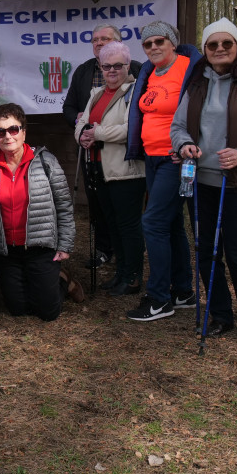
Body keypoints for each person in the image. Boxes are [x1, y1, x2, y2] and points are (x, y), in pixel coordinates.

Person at [171, 19, 237, 347]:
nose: (220, 49)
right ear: (205, 49)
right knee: (206, 251)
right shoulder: (196, 83)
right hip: (201, 181)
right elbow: (178, 126)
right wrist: (184, 145)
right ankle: (220, 315)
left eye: (226, 44)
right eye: (212, 45)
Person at [124, 21, 202, 323]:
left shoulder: (189, 68)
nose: (154, 47)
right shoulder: (149, 72)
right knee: (170, 225)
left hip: (176, 159)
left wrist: (187, 145)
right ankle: (182, 291)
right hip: (153, 157)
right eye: (148, 44)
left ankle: (159, 298)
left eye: (160, 41)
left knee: (153, 222)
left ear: (173, 42)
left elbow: (198, 111)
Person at [0, 103, 78, 321]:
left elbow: (64, 205)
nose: (8, 136)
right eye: (0, 132)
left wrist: (65, 245)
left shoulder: (46, 161)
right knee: (18, 309)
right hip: (6, 251)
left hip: (40, 247)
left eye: (13, 129)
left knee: (47, 312)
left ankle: (63, 280)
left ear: (24, 132)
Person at [63, 25, 142, 268]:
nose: (99, 43)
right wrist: (82, 134)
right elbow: (73, 111)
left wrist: (96, 132)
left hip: (122, 163)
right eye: (95, 39)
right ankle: (106, 252)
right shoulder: (88, 79)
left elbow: (135, 125)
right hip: (93, 160)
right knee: (101, 211)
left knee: (126, 219)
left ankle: (130, 269)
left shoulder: (138, 75)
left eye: (105, 39)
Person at [75, 40, 146, 297]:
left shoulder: (135, 91)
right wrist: (82, 135)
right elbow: (81, 122)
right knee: (112, 225)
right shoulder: (96, 93)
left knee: (128, 225)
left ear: (128, 65)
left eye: (118, 65)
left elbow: (132, 129)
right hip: (98, 169)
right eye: (107, 66)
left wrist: (97, 133)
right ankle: (120, 274)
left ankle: (133, 276)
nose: (112, 71)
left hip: (125, 171)